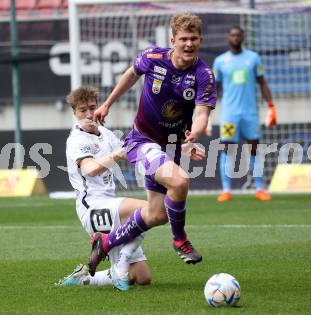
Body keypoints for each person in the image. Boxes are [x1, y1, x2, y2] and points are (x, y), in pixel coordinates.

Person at [89, 12, 215, 276]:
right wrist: (107, 103)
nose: (189, 44)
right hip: (142, 140)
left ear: (200, 39)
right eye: (184, 39)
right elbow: (131, 74)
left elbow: (202, 112)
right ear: (173, 40)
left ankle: (107, 241)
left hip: (172, 146)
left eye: (194, 39)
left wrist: (196, 132)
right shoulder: (153, 57)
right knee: (179, 182)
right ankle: (180, 240)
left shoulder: (203, 74)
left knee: (157, 214)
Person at [56, 85, 152, 291]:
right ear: (74, 113)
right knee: (151, 210)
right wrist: (116, 155)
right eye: (82, 110)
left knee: (142, 276)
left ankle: (84, 278)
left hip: (110, 204)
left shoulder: (106, 134)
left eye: (92, 107)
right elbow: (91, 169)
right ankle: (116, 253)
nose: (89, 114)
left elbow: (131, 152)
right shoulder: (75, 140)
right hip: (92, 208)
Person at [213, 26, 277, 202]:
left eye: (238, 35)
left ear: (242, 37)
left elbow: (262, 83)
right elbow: (214, 88)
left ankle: (259, 188)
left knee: (254, 148)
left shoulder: (253, 58)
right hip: (229, 115)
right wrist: (206, 112)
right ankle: (226, 190)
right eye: (232, 35)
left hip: (250, 114)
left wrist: (271, 105)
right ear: (228, 37)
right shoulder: (220, 61)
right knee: (227, 148)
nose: (235, 37)